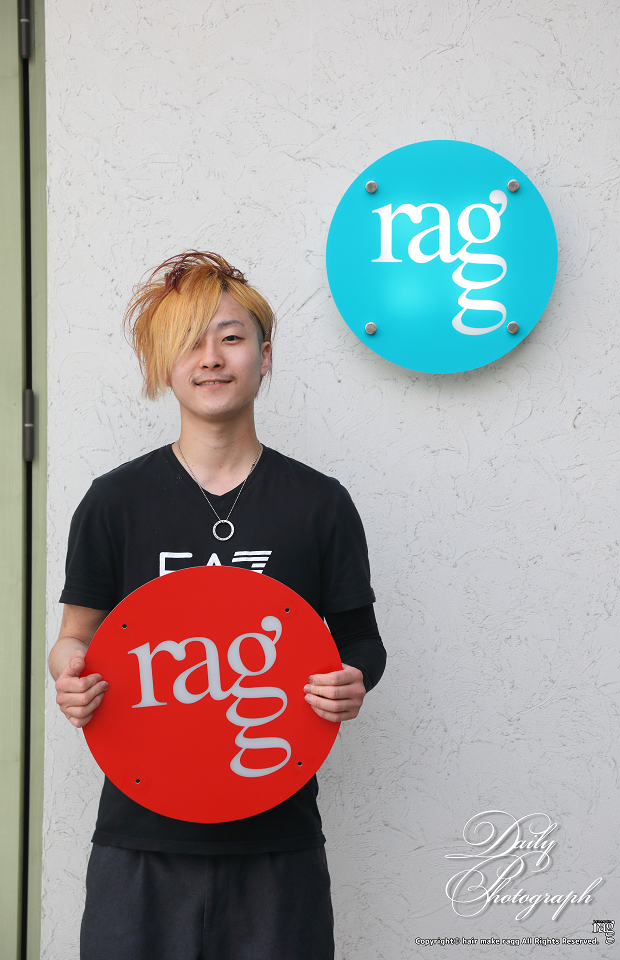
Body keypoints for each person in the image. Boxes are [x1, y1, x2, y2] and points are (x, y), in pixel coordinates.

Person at [49, 250, 386, 960]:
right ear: (163, 365)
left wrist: (352, 679)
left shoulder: (319, 503)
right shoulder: (114, 501)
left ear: (265, 357)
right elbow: (75, 637)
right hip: (139, 837)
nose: (211, 358)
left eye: (231, 337)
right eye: (189, 342)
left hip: (277, 834)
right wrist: (70, 673)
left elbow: (361, 639)